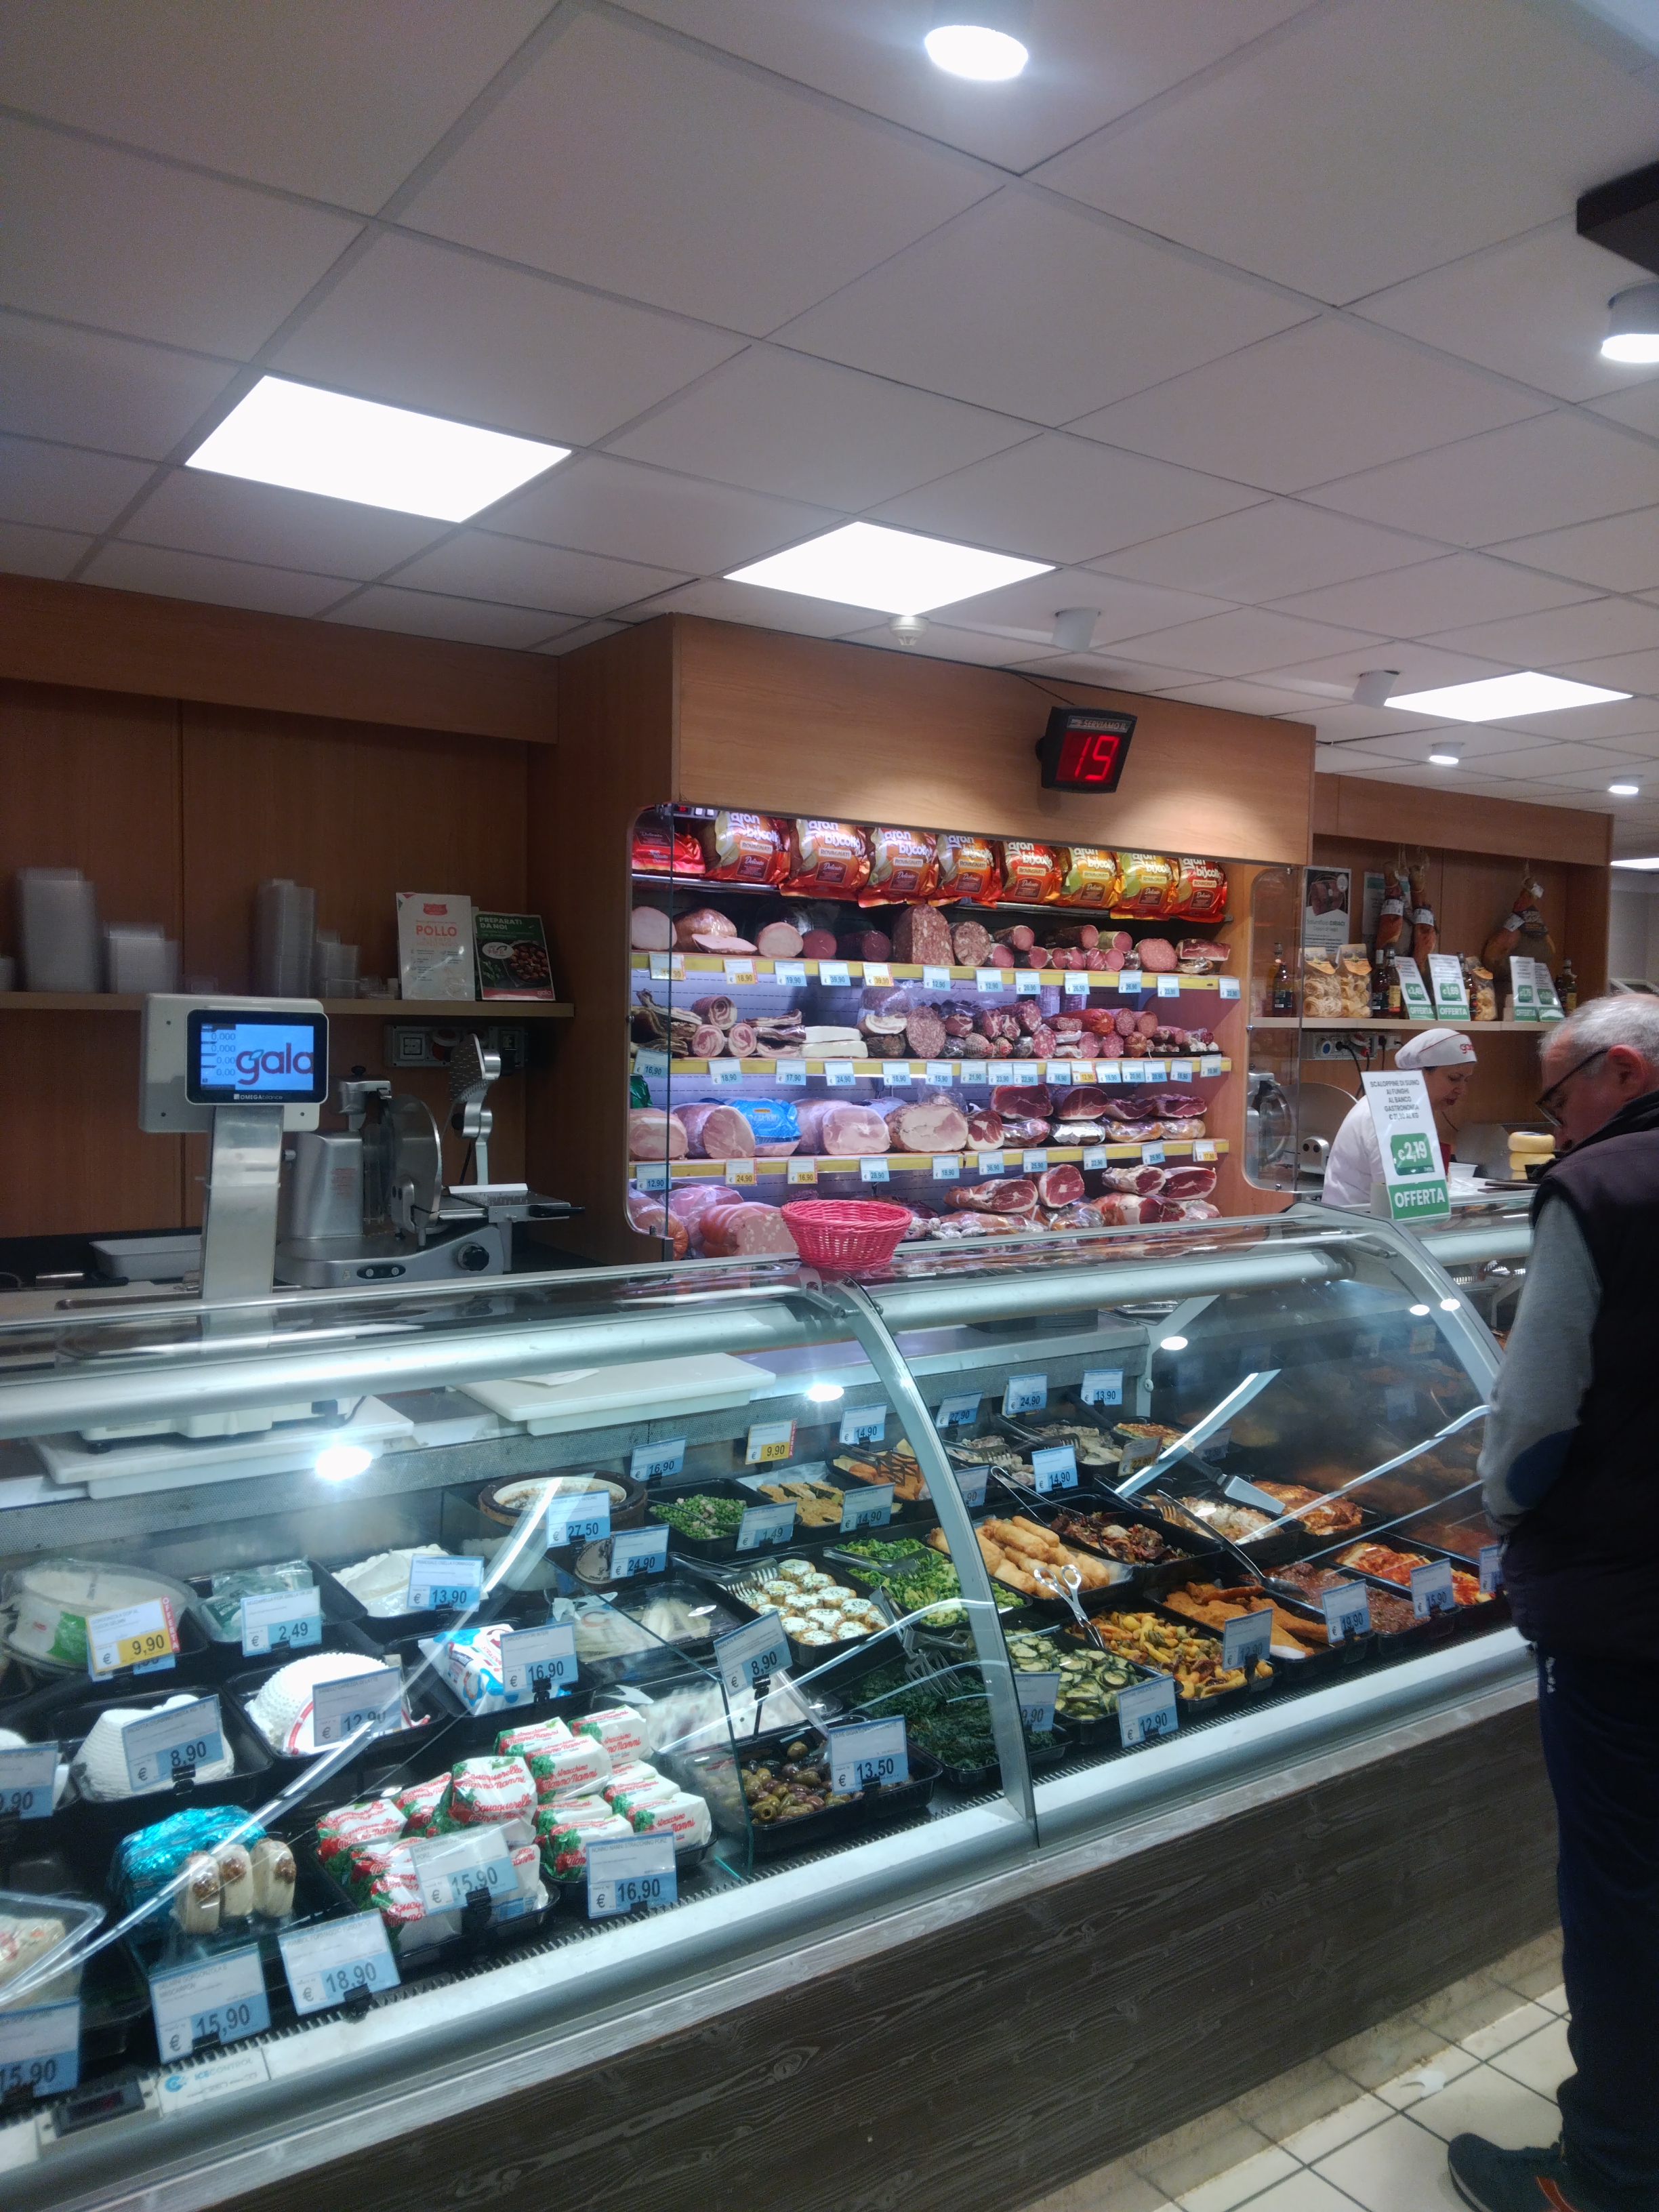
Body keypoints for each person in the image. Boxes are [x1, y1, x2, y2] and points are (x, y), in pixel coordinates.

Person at [1450, 994, 1659, 2212]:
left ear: (1618, 1070)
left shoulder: (1601, 1188)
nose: (1553, 1122)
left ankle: (1609, 2174)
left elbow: (1530, 1420)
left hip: (1623, 1611)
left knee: (1622, 1891)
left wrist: (1506, 1519)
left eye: (1556, 1094)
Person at [1319, 1025, 1477, 1206]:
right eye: (1454, 1078)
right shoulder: (1394, 1113)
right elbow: (1406, 1202)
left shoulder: (1405, 1107)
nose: (1462, 1090)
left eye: (1466, 1080)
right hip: (1360, 1222)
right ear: (1420, 1072)